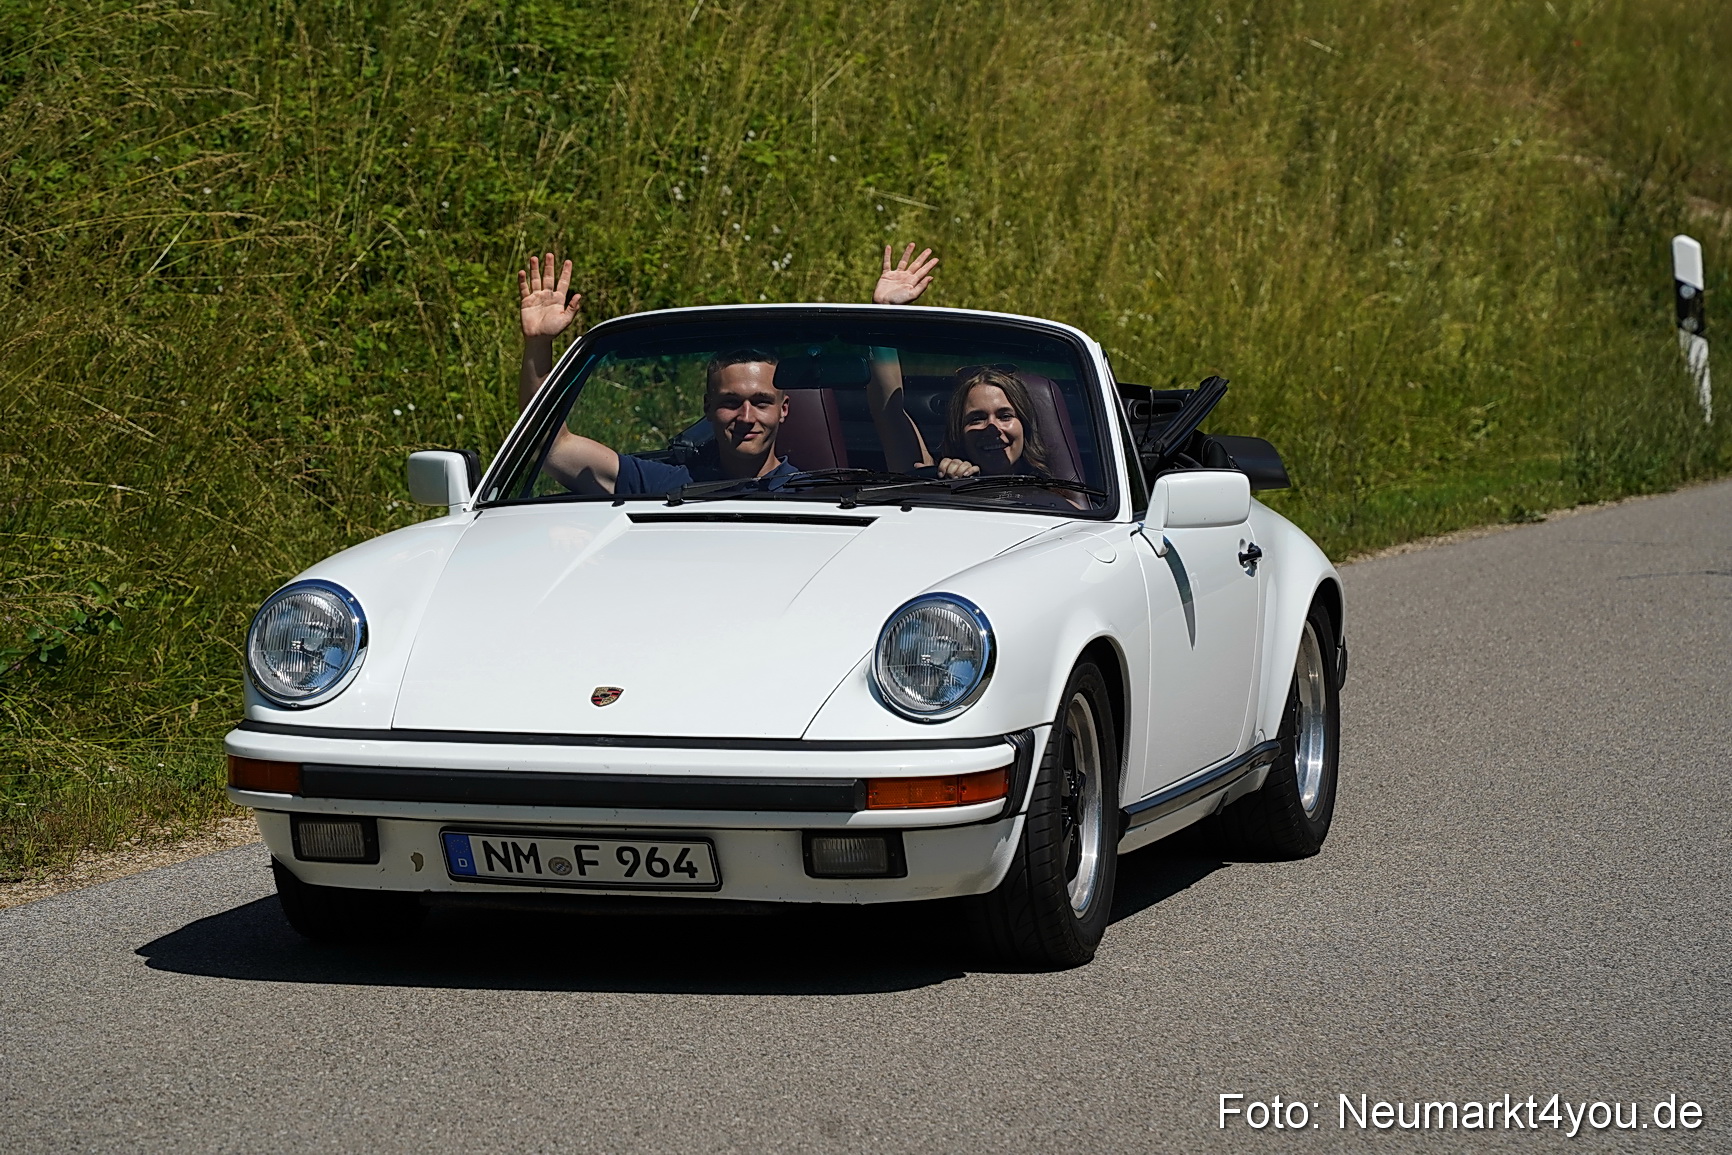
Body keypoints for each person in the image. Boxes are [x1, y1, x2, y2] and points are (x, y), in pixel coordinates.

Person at [516, 253, 797, 494]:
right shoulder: (668, 487)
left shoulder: (821, 494)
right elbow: (551, 445)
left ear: (783, 409)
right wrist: (539, 344)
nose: (746, 417)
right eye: (731, 402)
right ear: (707, 407)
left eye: (761, 402)